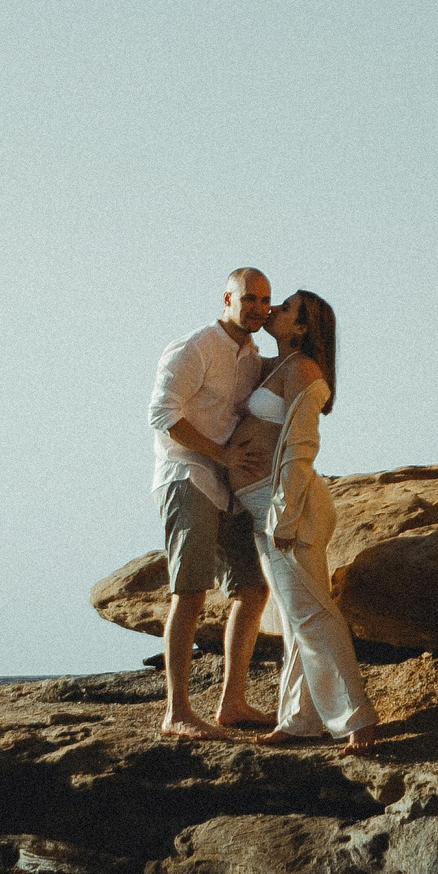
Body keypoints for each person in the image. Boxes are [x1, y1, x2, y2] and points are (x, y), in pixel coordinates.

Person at [234, 290, 378, 755]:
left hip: (288, 507)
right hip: (265, 504)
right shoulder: (278, 365)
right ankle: (299, 720)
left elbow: (300, 445)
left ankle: (357, 719)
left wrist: (284, 512)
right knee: (297, 618)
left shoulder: (303, 370)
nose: (272, 309)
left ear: (301, 329)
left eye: (286, 307)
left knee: (313, 614)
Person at [147, 268, 277, 739]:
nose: (258, 308)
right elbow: (162, 415)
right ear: (227, 298)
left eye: (265, 300)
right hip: (187, 478)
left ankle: (232, 703)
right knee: (190, 593)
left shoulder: (252, 356)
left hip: (228, 488)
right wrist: (222, 454)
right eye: (249, 298)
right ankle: (177, 712)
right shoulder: (195, 346)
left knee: (252, 590)